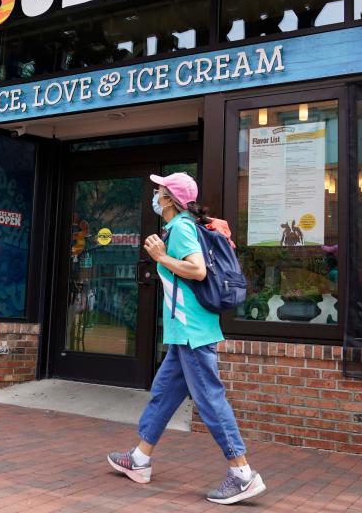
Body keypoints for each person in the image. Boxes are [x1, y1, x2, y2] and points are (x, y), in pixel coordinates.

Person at [107, 172, 266, 505]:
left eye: (159, 190)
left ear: (169, 198)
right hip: (185, 332)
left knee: (209, 399)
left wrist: (161, 258)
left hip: (193, 330)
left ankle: (242, 473)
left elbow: (198, 270)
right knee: (164, 394)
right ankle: (139, 459)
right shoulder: (178, 226)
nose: (155, 194)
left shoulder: (180, 226)